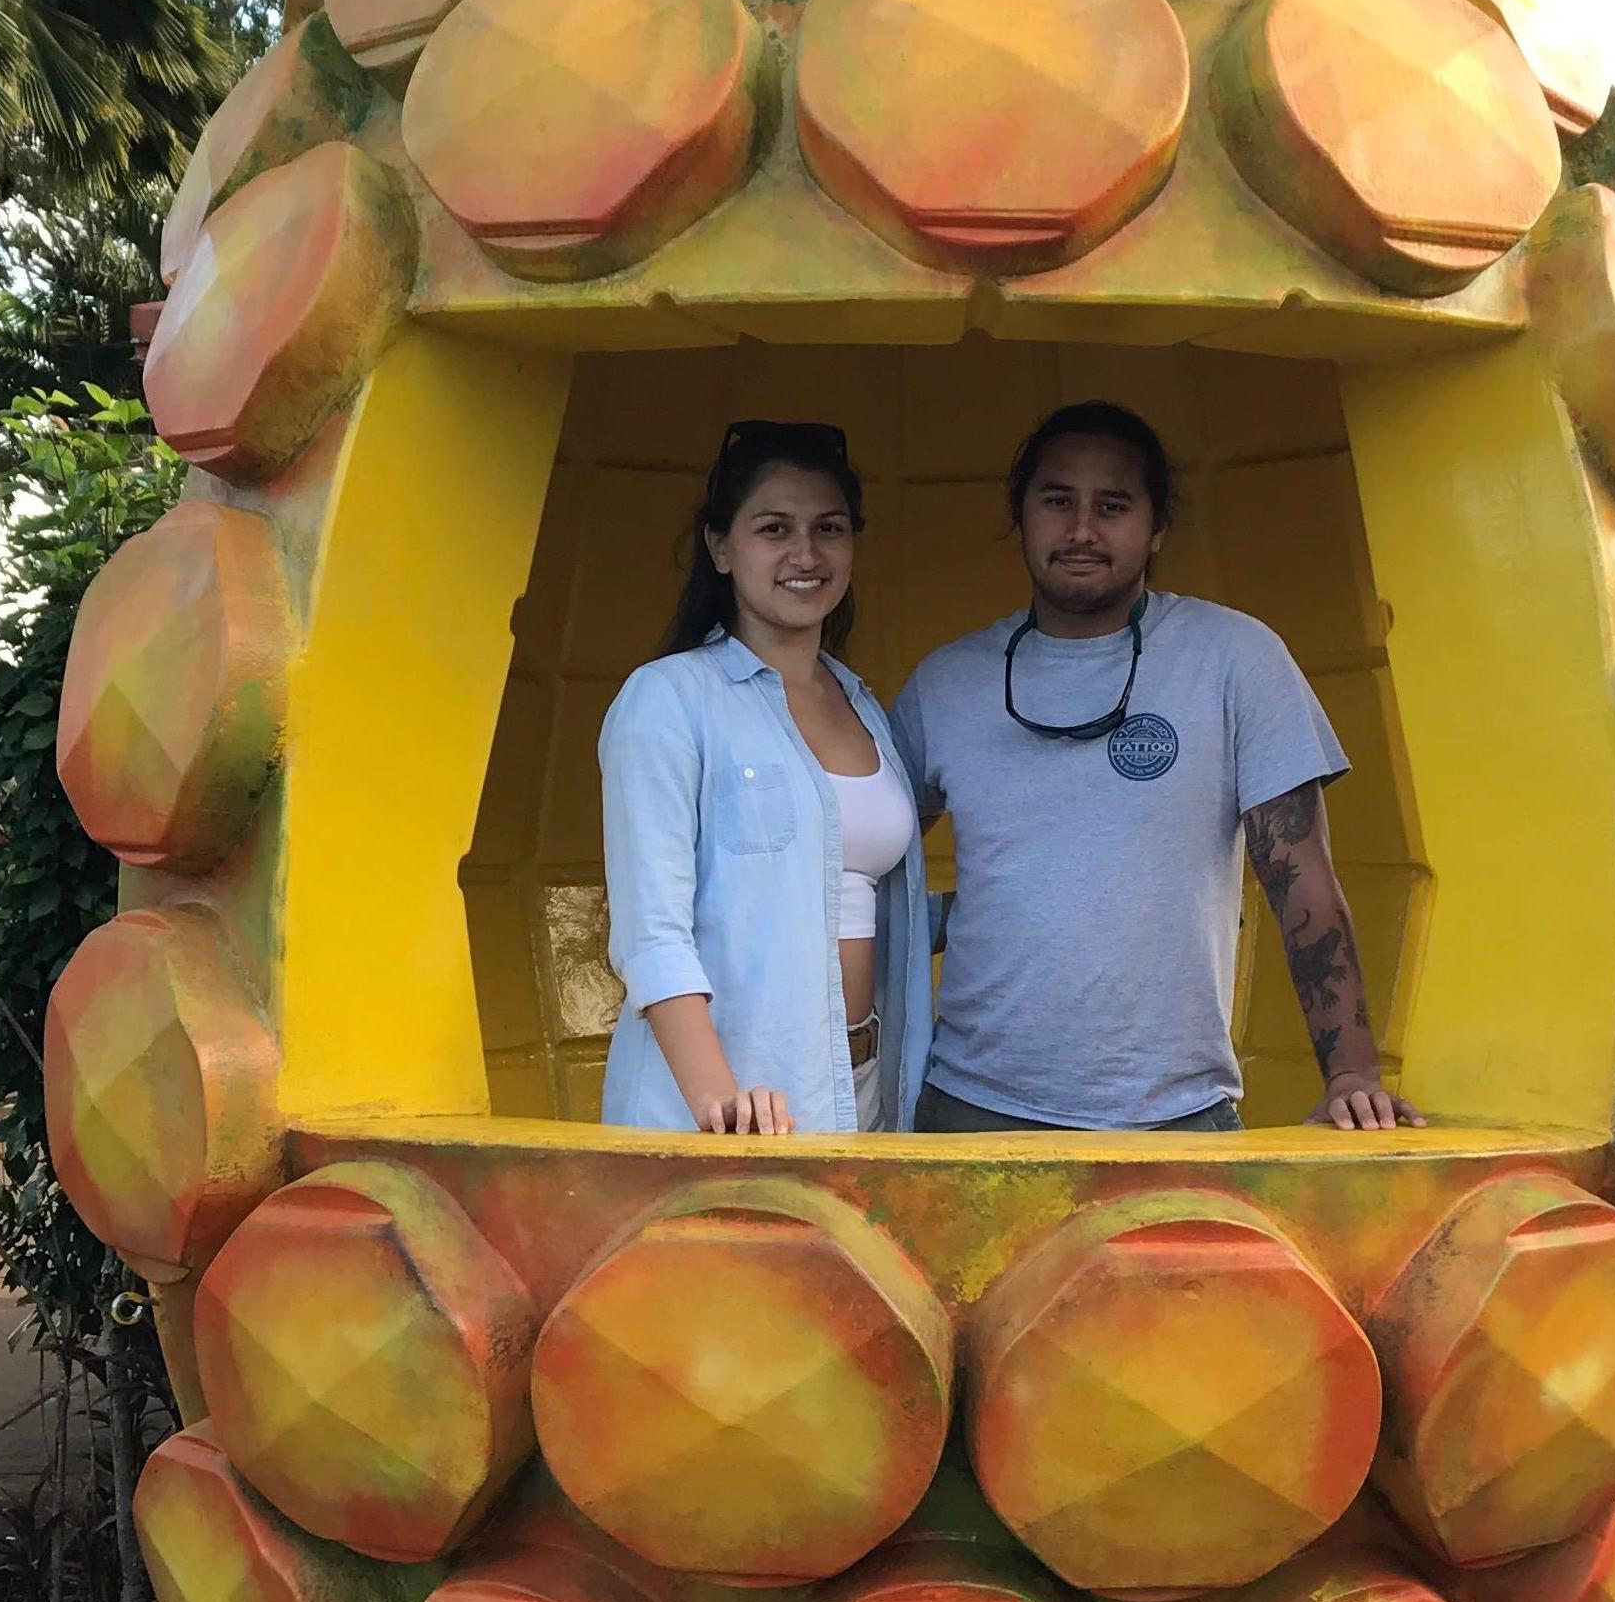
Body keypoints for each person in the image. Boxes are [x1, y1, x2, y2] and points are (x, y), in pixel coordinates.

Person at [889, 400, 1421, 1135]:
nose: (1081, 530)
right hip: (970, 1112)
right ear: (1021, 516)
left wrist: (1352, 1075)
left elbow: (1302, 879)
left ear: (1157, 526)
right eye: (1056, 502)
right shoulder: (946, 683)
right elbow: (866, 872)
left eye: (1112, 506)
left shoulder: (1236, 659)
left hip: (1176, 1119)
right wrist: (978, 911)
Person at [597, 419, 930, 1136]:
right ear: (721, 546)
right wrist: (723, 1108)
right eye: (774, 529)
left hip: (864, 1082)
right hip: (736, 1106)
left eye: (829, 529)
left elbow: (854, 896)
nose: (805, 554)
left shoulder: (864, 704)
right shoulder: (668, 699)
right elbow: (651, 933)